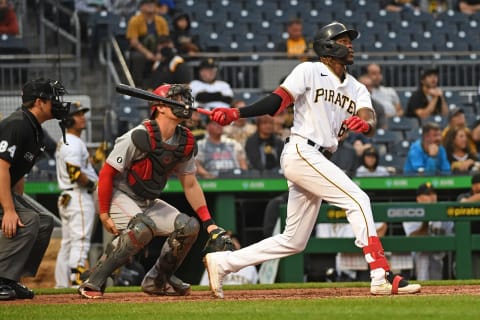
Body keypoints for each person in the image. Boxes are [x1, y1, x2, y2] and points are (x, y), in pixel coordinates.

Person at [203, 21, 421, 298]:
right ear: (328, 47)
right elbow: (276, 102)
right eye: (343, 41)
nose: (350, 46)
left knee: (294, 241)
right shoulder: (309, 70)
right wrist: (237, 113)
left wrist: (364, 124)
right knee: (358, 199)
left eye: (350, 41)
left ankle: (223, 263)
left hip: (319, 158)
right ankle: (381, 273)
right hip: (301, 151)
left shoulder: (356, 87)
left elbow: (369, 117)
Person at [77, 84, 232, 299]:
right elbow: (106, 174)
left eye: (184, 98)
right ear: (160, 107)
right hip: (116, 193)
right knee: (141, 229)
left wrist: (209, 223)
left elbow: (190, 184)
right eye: (176, 99)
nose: (183, 103)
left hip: (146, 199)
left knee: (188, 227)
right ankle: (93, 280)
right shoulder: (139, 135)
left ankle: (158, 280)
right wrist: (104, 213)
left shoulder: (185, 141)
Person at [0, 78, 71, 301]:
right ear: (40, 102)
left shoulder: (34, 128)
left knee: (43, 221)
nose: (58, 103)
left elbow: (17, 173)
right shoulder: (17, 124)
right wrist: (10, 211)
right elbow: (1, 167)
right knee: (28, 219)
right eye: (53, 99)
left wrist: (16, 203)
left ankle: (11, 279)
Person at [54, 102, 99, 288]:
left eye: (82, 114)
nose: (82, 117)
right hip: (78, 196)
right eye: (78, 114)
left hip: (69, 196)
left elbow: (80, 168)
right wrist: (93, 184)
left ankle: (62, 284)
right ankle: (76, 281)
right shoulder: (72, 142)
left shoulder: (69, 140)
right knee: (80, 240)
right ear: (68, 119)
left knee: (67, 243)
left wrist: (96, 160)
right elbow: (75, 174)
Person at [402, 182, 454, 280]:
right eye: (427, 194)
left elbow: (451, 234)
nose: (432, 197)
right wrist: (426, 221)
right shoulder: (411, 212)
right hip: (419, 255)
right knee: (423, 259)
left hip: (440, 254)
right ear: (418, 198)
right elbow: (412, 237)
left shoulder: (443, 211)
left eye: (434, 193)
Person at [126, 0, 169, 88]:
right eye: (148, 4)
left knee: (168, 55)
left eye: (153, 3)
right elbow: (134, 41)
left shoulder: (161, 21)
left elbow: (165, 40)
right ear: (141, 7)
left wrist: (159, 53)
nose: (151, 6)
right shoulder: (135, 20)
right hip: (141, 50)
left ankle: (164, 85)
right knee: (138, 57)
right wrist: (147, 53)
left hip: (158, 49)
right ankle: (138, 85)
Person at [457, 172, 480, 278]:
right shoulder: (464, 196)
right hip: (469, 240)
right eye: (477, 183)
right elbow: (462, 203)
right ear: (473, 185)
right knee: (474, 274)